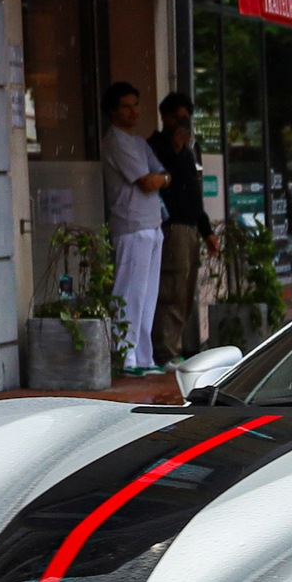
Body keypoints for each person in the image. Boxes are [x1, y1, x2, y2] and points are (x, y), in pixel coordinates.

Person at [101, 81, 167, 375]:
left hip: (152, 224)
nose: (134, 111)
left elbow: (163, 175)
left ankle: (143, 357)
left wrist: (162, 178)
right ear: (113, 111)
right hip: (131, 226)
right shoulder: (114, 141)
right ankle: (124, 357)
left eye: (136, 104)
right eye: (126, 106)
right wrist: (161, 179)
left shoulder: (140, 143)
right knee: (129, 292)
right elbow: (147, 180)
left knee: (147, 295)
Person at [148, 93, 217, 363]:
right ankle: (165, 352)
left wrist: (207, 231)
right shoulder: (156, 148)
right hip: (171, 227)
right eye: (176, 117)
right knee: (171, 290)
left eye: (186, 117)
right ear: (164, 117)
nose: (182, 123)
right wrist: (175, 146)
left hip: (188, 229)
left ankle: (173, 347)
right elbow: (166, 188)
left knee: (185, 292)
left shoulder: (188, 153)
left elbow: (194, 197)